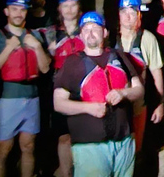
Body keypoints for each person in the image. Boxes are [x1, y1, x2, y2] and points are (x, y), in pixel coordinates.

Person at [53, 11, 144, 177]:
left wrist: (123, 93)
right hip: (89, 146)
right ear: (80, 35)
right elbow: (58, 103)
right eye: (86, 29)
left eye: (95, 28)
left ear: (105, 32)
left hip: (123, 142)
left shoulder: (119, 57)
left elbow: (139, 89)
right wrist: (89, 108)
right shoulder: (72, 63)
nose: (90, 33)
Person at [0, 0, 52, 177]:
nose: (18, 13)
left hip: (32, 99)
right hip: (8, 99)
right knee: (4, 148)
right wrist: (9, 48)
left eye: (22, 9)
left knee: (28, 146)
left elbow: (45, 68)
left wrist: (38, 47)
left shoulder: (34, 36)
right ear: (6, 11)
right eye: (14, 9)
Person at [115, 0, 164, 151]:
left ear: (139, 15)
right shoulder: (110, 39)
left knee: (136, 150)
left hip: (138, 106)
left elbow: (157, 74)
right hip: (115, 107)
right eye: (124, 12)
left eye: (132, 12)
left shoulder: (147, 39)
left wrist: (160, 103)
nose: (128, 17)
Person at [48, 0, 86, 177]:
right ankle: (65, 173)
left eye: (73, 5)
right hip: (61, 89)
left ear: (79, 7)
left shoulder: (88, 29)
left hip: (84, 89)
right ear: (60, 8)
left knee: (82, 137)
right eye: (65, 6)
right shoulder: (51, 33)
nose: (69, 10)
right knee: (63, 137)